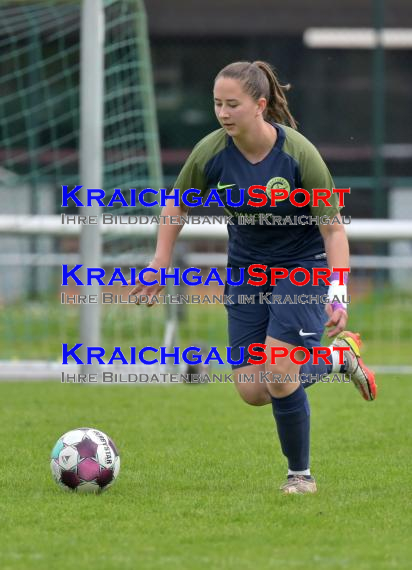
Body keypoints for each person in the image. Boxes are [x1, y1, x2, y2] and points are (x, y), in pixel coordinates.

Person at [130, 61, 377, 494]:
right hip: (247, 272)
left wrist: (338, 293)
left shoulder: (298, 154)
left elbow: (333, 229)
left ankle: (300, 475)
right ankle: (338, 359)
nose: (223, 113)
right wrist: (159, 262)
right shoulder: (211, 152)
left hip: (302, 267)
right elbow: (176, 206)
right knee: (252, 389)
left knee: (280, 372)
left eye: (232, 104)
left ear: (260, 105)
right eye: (216, 104)